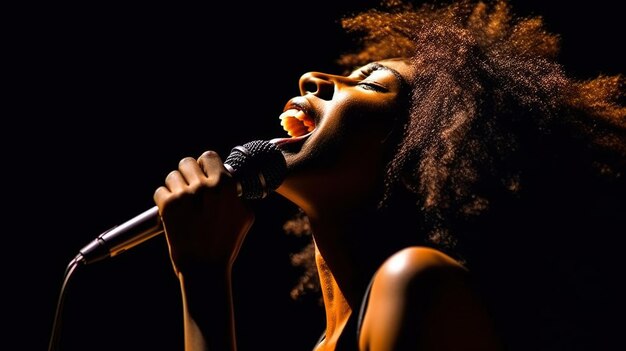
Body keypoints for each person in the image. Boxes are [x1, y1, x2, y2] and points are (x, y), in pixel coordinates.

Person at [152, 0, 626, 350]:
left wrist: (204, 276)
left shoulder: (416, 285)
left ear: (422, 160)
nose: (314, 78)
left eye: (371, 84)